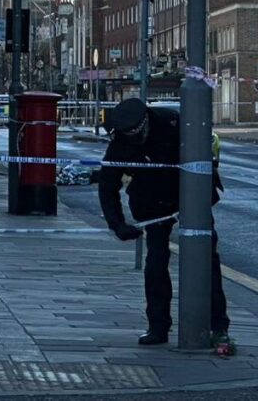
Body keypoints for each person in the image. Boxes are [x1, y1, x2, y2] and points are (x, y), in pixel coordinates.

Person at [97, 98, 230, 346]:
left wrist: (201, 200)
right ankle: (157, 327)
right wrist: (117, 225)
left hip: (189, 196)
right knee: (156, 263)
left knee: (206, 260)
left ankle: (218, 325)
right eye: (130, 135)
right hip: (151, 201)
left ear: (146, 119)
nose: (136, 138)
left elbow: (205, 158)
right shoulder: (120, 142)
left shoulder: (174, 123)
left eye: (139, 132)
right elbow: (107, 186)